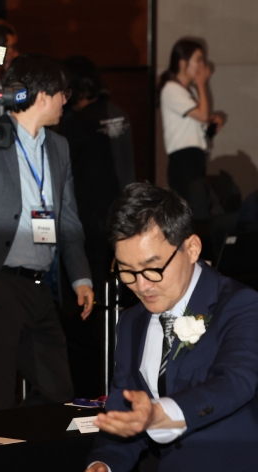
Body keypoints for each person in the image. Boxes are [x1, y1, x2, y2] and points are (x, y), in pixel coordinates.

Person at [0, 54, 94, 410]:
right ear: (43, 96)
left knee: (58, 390)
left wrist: (81, 278)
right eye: (63, 93)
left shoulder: (59, 147)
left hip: (40, 284)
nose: (65, 101)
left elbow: (69, 220)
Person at [86, 183, 258, 472]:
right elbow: (124, 413)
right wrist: (104, 463)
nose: (141, 285)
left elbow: (234, 383)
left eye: (153, 267)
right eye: (127, 271)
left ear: (191, 248)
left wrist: (157, 414)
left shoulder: (241, 305)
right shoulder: (131, 322)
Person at [58, 55, 135, 296]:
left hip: (89, 222)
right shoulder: (119, 112)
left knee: (94, 289)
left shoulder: (75, 125)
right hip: (124, 215)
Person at [159, 38, 225, 201]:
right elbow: (202, 115)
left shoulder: (190, 92)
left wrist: (211, 126)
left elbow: (197, 128)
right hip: (183, 161)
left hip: (196, 158)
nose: (202, 65)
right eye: (198, 60)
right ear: (182, 63)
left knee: (198, 210)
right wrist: (201, 84)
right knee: (189, 212)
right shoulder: (171, 89)